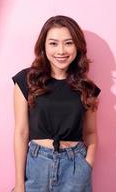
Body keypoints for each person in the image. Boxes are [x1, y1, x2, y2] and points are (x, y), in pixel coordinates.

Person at [11, 15, 101, 192]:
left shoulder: (87, 88)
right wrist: (20, 184)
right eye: (53, 43)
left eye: (68, 43)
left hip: (75, 167)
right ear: (44, 46)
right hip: (37, 166)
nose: (61, 51)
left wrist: (86, 166)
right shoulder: (26, 80)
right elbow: (21, 133)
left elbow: (90, 132)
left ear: (78, 46)